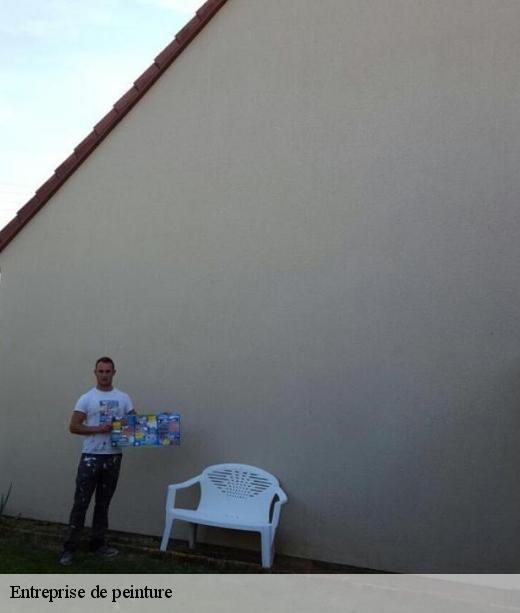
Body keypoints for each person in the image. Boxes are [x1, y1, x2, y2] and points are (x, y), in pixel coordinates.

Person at [59, 357, 135, 566]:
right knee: (81, 503)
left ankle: (98, 544)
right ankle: (69, 549)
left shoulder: (123, 398)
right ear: (95, 373)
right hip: (91, 456)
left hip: (113, 456)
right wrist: (98, 429)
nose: (104, 375)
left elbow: (135, 424)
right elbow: (74, 426)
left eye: (108, 371)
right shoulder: (86, 398)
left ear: (114, 373)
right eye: (100, 371)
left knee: (103, 504)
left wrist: (161, 422)